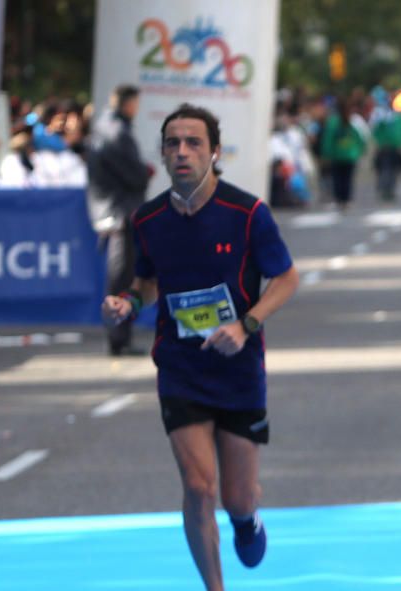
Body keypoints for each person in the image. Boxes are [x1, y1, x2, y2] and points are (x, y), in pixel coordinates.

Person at [101, 104, 300, 591]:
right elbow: (148, 282)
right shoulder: (147, 220)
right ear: (163, 155)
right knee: (197, 487)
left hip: (238, 368)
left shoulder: (247, 212)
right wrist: (128, 302)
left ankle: (247, 518)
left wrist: (247, 323)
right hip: (180, 367)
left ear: (214, 151)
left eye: (193, 142)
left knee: (236, 498)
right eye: (173, 143)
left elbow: (287, 277)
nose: (183, 151)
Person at [86, 84, 153, 356]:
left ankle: (120, 335)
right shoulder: (117, 132)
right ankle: (118, 337)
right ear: (127, 103)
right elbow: (134, 175)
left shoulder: (103, 128)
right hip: (121, 212)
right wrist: (145, 172)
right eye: (136, 103)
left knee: (121, 276)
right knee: (122, 277)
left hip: (109, 211)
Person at [320, 94, 369, 211]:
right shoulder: (354, 120)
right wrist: (361, 150)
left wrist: (326, 153)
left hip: (337, 155)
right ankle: (346, 199)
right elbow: (360, 137)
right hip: (350, 155)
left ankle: (339, 199)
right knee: (348, 178)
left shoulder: (333, 122)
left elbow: (328, 139)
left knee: (338, 178)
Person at [369, 88, 401, 203]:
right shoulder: (378, 114)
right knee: (384, 169)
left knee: (394, 169)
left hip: (394, 147)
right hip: (383, 148)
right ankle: (384, 189)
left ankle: (389, 189)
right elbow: (374, 130)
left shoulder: (396, 115)